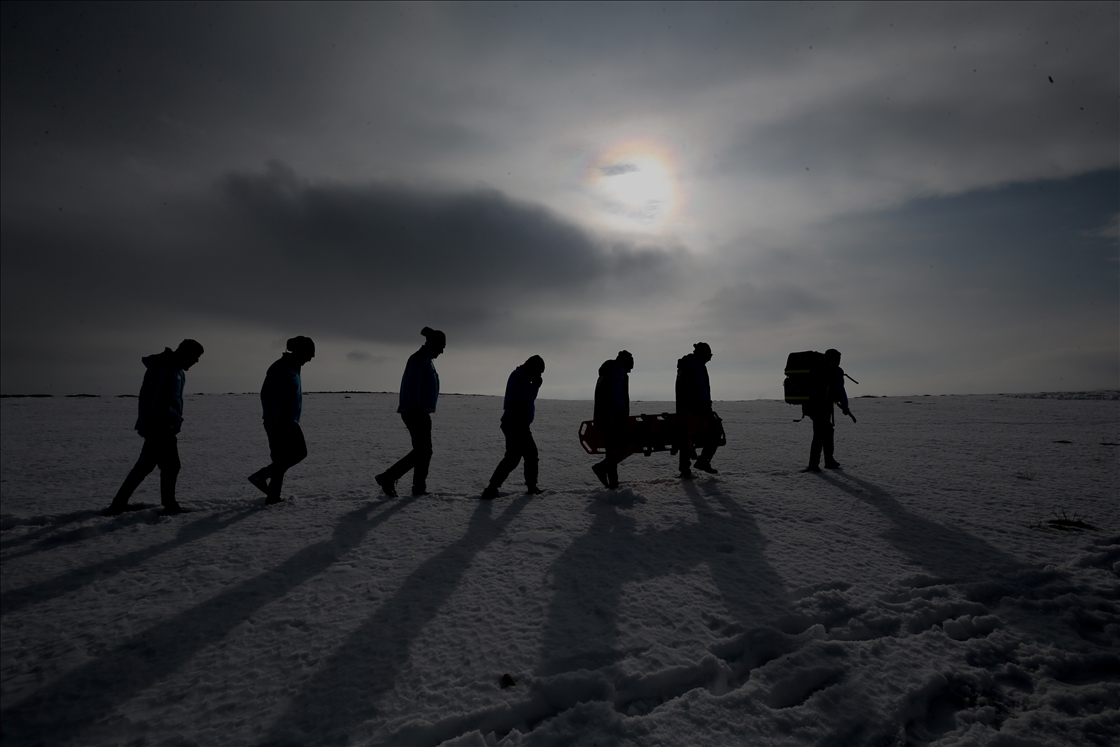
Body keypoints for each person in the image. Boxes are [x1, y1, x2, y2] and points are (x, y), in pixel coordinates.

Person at [104, 339, 204, 516]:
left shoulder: (178, 371)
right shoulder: (162, 367)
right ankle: (170, 506)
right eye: (195, 356)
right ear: (184, 353)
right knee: (171, 465)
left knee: (145, 465)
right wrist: (147, 423)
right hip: (158, 425)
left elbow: (173, 400)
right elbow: (148, 396)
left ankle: (118, 504)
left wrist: (176, 421)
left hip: (167, 425)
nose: (196, 361)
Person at [376, 327, 445, 497]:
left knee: (424, 451)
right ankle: (389, 477)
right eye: (441, 347)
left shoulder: (426, 360)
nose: (442, 351)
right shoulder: (418, 360)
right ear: (433, 344)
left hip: (420, 411)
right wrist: (416, 409)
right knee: (423, 451)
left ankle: (418, 487)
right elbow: (412, 386)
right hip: (415, 412)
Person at [248, 336, 315, 505]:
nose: (311, 358)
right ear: (300, 351)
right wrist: (273, 420)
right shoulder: (281, 367)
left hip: (288, 420)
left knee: (280, 459)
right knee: (299, 453)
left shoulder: (293, 367)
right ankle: (261, 476)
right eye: (309, 353)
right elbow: (267, 394)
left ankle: (273, 496)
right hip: (280, 422)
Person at [481, 355, 546, 500]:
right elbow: (528, 395)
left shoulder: (521, 376)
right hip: (515, 424)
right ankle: (530, 487)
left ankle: (492, 488)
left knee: (514, 457)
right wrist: (535, 385)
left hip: (517, 424)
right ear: (532, 367)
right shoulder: (519, 377)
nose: (539, 375)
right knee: (527, 455)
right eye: (538, 372)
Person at [676, 342, 721, 478]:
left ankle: (685, 469)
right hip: (697, 409)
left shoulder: (687, 364)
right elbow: (700, 388)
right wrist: (706, 406)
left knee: (686, 436)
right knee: (715, 430)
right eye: (709, 355)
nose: (709, 358)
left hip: (686, 408)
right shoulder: (696, 366)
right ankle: (703, 461)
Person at [591, 350, 634, 490]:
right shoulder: (617, 371)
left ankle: (613, 484)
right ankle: (602, 468)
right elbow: (615, 396)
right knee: (624, 446)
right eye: (630, 366)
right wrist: (616, 416)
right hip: (613, 417)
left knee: (612, 450)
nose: (630, 370)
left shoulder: (610, 370)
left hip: (608, 416)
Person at [803, 348, 850, 472]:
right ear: (832, 359)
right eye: (838, 359)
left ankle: (828, 460)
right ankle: (815, 464)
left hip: (812, 406)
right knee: (821, 433)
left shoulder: (816, 368)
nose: (839, 362)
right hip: (823, 407)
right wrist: (845, 406)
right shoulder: (834, 370)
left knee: (826, 431)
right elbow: (840, 389)